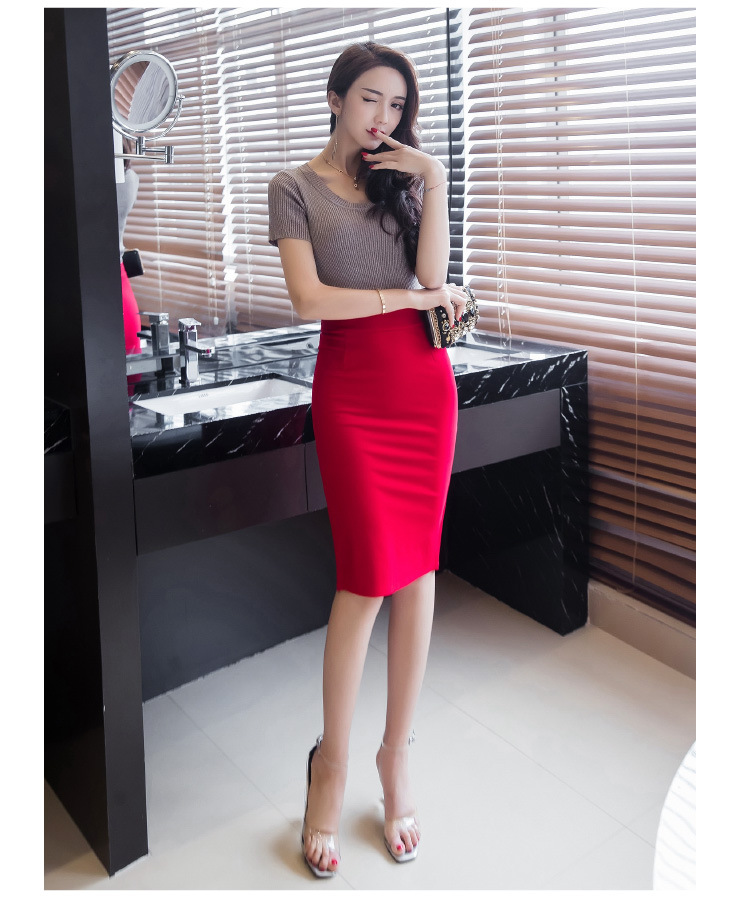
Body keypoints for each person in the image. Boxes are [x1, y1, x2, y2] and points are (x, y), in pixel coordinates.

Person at [267, 41, 469, 878]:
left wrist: (436, 178)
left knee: (418, 574)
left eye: (397, 105)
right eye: (369, 100)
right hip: (352, 391)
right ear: (335, 98)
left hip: (424, 388)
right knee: (364, 581)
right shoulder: (294, 187)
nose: (384, 117)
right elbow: (308, 298)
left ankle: (395, 759)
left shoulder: (403, 181)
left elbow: (435, 275)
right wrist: (403, 300)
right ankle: (333, 764)